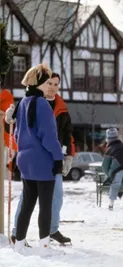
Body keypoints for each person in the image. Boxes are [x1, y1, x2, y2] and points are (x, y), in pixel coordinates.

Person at [6, 73, 75, 245]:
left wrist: (68, 156)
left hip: (48, 157)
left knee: (55, 197)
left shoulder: (61, 107)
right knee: (31, 200)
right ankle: (20, 235)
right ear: (41, 84)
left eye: (56, 84)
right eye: (49, 83)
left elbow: (67, 135)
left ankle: (51, 231)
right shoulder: (33, 102)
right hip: (46, 159)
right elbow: (19, 130)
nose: (52, 86)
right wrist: (9, 118)